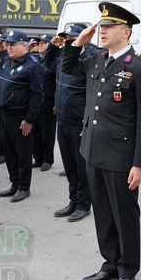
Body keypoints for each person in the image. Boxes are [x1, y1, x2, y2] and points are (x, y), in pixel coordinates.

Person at [61, 2, 141, 280]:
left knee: (124, 215)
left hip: (121, 156)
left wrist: (140, 163)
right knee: (102, 212)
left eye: (109, 27)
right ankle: (109, 263)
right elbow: (66, 66)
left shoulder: (140, 67)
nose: (102, 31)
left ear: (126, 32)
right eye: (101, 26)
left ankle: (128, 271)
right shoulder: (95, 59)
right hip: (93, 150)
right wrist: (79, 41)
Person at [44, 24, 94, 222]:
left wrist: (87, 123)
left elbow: (93, 95)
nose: (69, 41)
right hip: (62, 120)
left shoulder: (89, 61)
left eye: (73, 38)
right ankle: (73, 200)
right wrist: (52, 46)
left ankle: (84, 204)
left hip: (79, 123)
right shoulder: (63, 57)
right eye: (66, 38)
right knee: (70, 166)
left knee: (82, 169)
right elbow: (46, 65)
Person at [0, 31, 44, 203]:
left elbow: (38, 95)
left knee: (23, 153)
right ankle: (14, 183)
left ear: (24, 46)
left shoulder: (31, 66)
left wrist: (29, 119)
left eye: (13, 44)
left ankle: (24, 187)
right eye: (7, 44)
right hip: (4, 114)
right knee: (9, 152)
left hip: (20, 117)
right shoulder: (5, 61)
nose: (8, 47)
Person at [32, 34, 56, 172]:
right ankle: (38, 158)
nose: (40, 44)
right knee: (35, 132)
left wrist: (56, 102)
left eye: (44, 42)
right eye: (39, 42)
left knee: (47, 132)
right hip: (36, 102)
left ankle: (48, 159)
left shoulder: (53, 62)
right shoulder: (36, 60)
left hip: (48, 101)